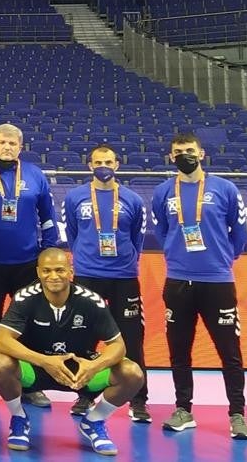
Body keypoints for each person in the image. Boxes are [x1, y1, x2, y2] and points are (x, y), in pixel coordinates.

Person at [0, 248, 145, 455]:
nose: (53, 276)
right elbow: (2, 340)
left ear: (70, 271)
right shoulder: (25, 298)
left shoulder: (91, 300)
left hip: (81, 371)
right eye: (47, 270)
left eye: (60, 270)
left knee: (132, 373)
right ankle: (19, 418)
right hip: (37, 368)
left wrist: (93, 366)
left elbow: (118, 346)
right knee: (1, 364)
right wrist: (44, 361)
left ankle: (94, 421)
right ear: (38, 272)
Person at [150, 133, 247, 438]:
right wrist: (177, 255)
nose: (185, 155)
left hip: (217, 282)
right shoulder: (163, 192)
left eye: (190, 150)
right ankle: (183, 410)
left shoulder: (225, 189)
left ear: (202, 153)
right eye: (178, 151)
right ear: (171, 157)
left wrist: (223, 259)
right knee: (179, 351)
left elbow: (240, 232)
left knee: (229, 352)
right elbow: (161, 231)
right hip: (178, 281)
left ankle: (237, 414)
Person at [0, 123, 58, 407]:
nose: (7, 147)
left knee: (29, 324)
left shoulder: (35, 175)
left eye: (12, 143)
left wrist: (47, 253)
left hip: (27, 264)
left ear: (20, 147)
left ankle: (31, 385)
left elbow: (48, 218)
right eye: (2, 142)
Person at [63, 144, 151, 423]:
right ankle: (85, 394)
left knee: (132, 338)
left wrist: (128, 261)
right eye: (98, 162)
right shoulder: (75, 197)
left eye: (109, 162)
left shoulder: (132, 199)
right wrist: (85, 258)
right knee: (85, 336)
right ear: (90, 165)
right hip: (88, 275)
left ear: (117, 164)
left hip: (124, 276)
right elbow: (73, 235)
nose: (104, 166)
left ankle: (139, 399)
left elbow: (137, 237)